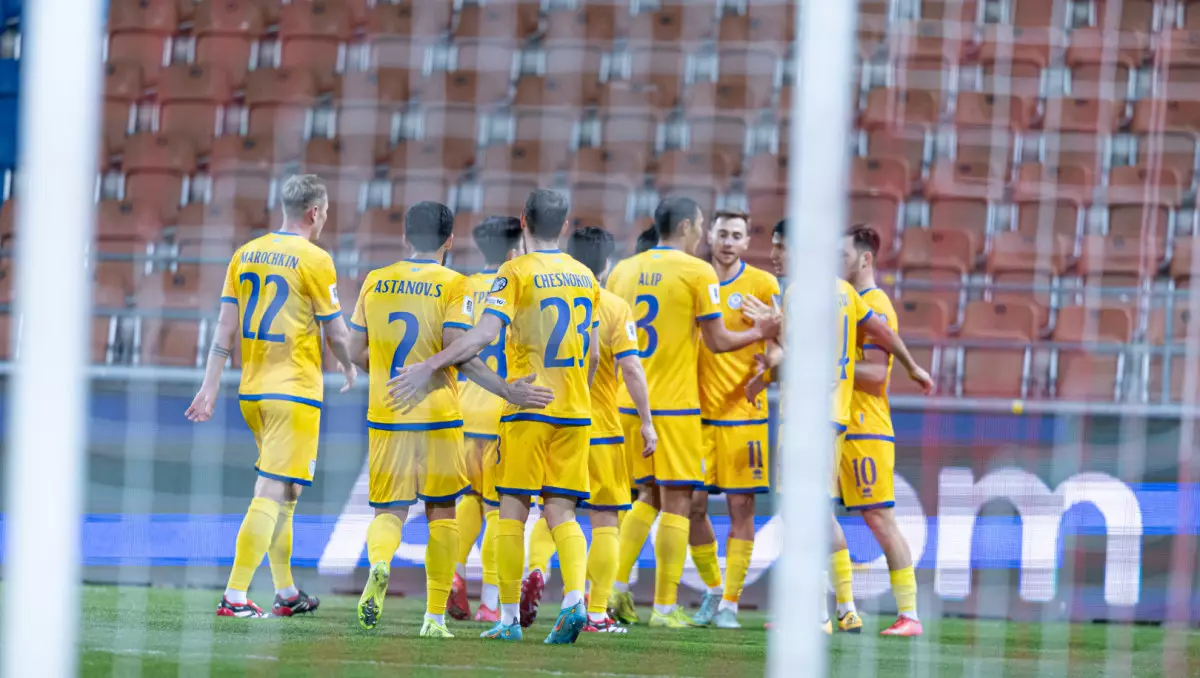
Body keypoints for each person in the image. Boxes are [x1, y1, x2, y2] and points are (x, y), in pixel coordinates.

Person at [388, 189, 601, 645]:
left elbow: (484, 334)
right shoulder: (585, 276)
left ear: (523, 220)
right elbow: (596, 353)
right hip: (575, 410)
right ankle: (575, 600)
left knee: (510, 513)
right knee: (562, 513)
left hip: (526, 407)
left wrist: (431, 363)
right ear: (565, 226)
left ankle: (506, 618)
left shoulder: (515, 271)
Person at [348, 201, 553, 638]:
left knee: (389, 511)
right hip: (442, 415)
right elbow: (460, 352)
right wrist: (506, 390)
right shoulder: (457, 284)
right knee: (443, 513)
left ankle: (380, 562)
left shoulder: (375, 280)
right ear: (449, 241)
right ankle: (434, 618)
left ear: (405, 235)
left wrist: (390, 377)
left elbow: (353, 350)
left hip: (388, 413)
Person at [605, 197, 781, 628]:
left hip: (633, 401)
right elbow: (717, 340)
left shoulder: (622, 270)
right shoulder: (697, 272)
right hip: (679, 406)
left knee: (647, 497)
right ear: (688, 227)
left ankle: (615, 589)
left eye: (736, 234)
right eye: (708, 228)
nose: (712, 237)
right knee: (678, 503)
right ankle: (665, 608)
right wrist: (761, 329)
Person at [187, 174, 356, 618]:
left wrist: (209, 386)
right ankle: (234, 596)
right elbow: (337, 332)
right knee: (271, 490)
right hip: (293, 392)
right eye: (325, 212)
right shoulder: (315, 259)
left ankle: (286, 592)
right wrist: (348, 364)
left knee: (288, 492)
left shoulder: (245, 253)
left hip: (252, 391)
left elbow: (225, 328)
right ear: (314, 212)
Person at [744, 252, 933, 636]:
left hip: (814, 415)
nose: (780, 256)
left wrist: (768, 337)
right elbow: (881, 333)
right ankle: (845, 609)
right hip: (837, 417)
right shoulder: (846, 293)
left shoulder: (800, 293)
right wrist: (912, 366)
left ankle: (822, 615)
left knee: (810, 513)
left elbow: (798, 353)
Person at [685, 210, 780, 630]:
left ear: (746, 242)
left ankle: (730, 604)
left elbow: (781, 343)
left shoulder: (763, 284)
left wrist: (770, 366)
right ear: (709, 236)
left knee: (742, 509)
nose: (727, 242)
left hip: (744, 414)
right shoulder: (693, 278)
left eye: (736, 235)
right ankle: (712, 588)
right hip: (696, 413)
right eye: (722, 233)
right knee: (691, 506)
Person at [566, 226, 656, 633]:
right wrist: (647, 423)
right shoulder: (615, 307)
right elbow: (632, 368)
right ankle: (597, 612)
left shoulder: (547, 301)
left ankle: (547, 591)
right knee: (605, 520)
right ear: (606, 265)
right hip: (600, 425)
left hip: (554, 423)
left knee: (556, 514)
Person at [840, 225, 922, 637]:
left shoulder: (876, 305)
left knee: (880, 519)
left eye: (843, 256)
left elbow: (875, 375)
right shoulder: (846, 302)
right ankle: (835, 610)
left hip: (865, 427)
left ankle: (910, 614)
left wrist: (830, 360)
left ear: (865, 259)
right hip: (839, 424)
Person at [447, 216, 525, 624]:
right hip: (501, 414)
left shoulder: (462, 287)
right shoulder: (520, 285)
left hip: (462, 412)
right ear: (515, 249)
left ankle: (455, 573)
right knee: (499, 510)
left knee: (469, 500)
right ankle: (491, 602)